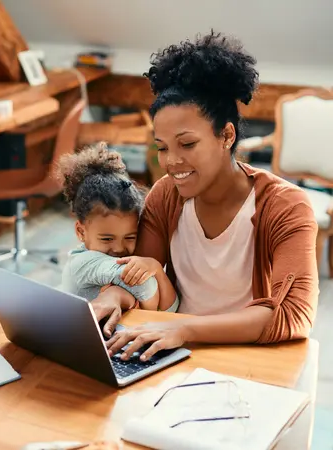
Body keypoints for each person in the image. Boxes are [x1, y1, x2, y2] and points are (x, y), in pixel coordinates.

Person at [94, 30, 319, 362]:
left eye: (187, 144)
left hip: (245, 355)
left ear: (226, 135)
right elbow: (139, 278)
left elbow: (293, 316)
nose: (171, 162)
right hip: (169, 350)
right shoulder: (165, 196)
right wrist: (111, 297)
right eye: (162, 147)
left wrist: (185, 329)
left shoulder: (285, 206)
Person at [57, 142, 179, 313]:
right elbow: (146, 286)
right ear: (81, 232)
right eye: (107, 239)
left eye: (130, 237)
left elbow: (171, 310)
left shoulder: (123, 266)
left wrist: (156, 268)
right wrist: (146, 307)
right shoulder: (82, 264)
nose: (119, 248)